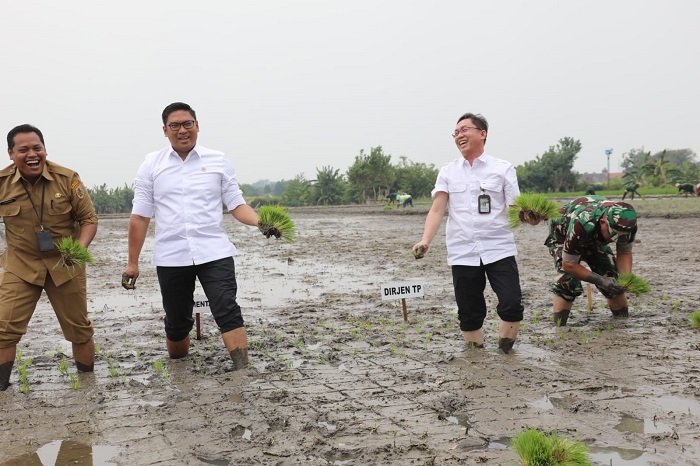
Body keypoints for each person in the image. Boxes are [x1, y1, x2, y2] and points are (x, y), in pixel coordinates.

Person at [122, 102, 278, 370]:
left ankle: (242, 370)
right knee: (177, 320)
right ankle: (179, 367)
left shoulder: (218, 160)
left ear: (197, 126)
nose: (182, 130)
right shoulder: (151, 164)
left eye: (188, 124)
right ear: (165, 130)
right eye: (175, 126)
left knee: (227, 308)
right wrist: (132, 263)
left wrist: (260, 222)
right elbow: (140, 216)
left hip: (214, 251)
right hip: (172, 256)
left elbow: (236, 204)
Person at [412, 113, 524, 353]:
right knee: (469, 310)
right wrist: (425, 240)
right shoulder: (448, 171)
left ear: (482, 133)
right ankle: (476, 358)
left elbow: (516, 208)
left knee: (512, 302)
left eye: (465, 129)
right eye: (456, 132)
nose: (459, 135)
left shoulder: (503, 169)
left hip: (498, 247)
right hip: (462, 250)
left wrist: (532, 216)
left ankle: (506, 351)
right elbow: (437, 209)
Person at [0, 124, 98, 390]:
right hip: (21, 265)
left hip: (64, 263)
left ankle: (87, 386)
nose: (32, 154)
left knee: (79, 329)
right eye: (24, 150)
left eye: (37, 148)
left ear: (44, 150)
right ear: (11, 154)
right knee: (4, 328)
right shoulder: (2, 184)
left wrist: (77, 252)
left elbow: (88, 220)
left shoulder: (67, 179)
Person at [544, 196, 637, 326]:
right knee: (568, 281)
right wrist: (600, 280)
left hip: (593, 237)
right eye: (611, 234)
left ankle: (622, 323)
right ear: (603, 222)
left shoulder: (626, 224)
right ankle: (560, 328)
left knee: (612, 278)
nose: (612, 240)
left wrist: (625, 279)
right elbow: (569, 264)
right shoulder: (582, 222)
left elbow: (624, 252)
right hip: (564, 234)